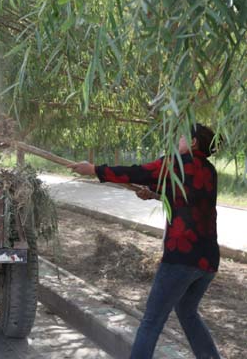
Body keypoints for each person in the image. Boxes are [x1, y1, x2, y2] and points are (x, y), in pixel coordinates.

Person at [68, 124, 221, 358]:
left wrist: (94, 169)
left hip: (181, 258)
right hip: (208, 260)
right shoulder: (209, 171)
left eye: (180, 137)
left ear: (192, 143)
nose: (175, 141)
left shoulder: (176, 164)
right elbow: (185, 194)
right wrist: (153, 192)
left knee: (151, 321)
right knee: (187, 310)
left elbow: (137, 172)